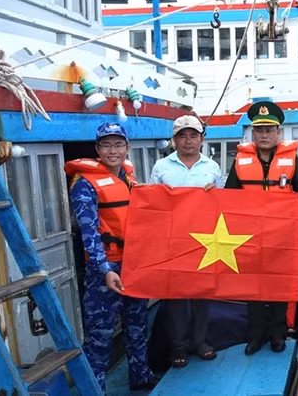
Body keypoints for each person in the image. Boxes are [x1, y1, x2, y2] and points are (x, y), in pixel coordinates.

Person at [65, 123, 156, 391]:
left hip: (135, 263)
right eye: (106, 145)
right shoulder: (85, 184)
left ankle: (140, 376)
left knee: (137, 324)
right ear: (97, 149)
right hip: (105, 268)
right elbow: (88, 232)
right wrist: (105, 269)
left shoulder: (129, 179)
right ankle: (97, 388)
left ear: (127, 148)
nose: (112, 150)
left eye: (118, 144)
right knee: (100, 335)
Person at [223, 101, 298, 355]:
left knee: (277, 285)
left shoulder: (291, 160)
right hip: (249, 237)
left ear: (278, 133)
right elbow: (228, 197)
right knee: (253, 287)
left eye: (269, 130)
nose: (264, 135)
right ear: (253, 133)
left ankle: (277, 334)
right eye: (259, 130)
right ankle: (255, 336)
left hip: (281, 236)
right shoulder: (240, 161)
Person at [148, 115, 223, 368]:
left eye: (193, 135)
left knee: (202, 294)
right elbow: (151, 206)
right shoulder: (161, 167)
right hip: (174, 240)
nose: (188, 140)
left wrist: (214, 195)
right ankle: (178, 345)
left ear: (201, 139)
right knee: (175, 295)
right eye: (182, 135)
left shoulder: (212, 167)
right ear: (174, 139)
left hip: (205, 240)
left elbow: (223, 204)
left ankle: (200, 341)